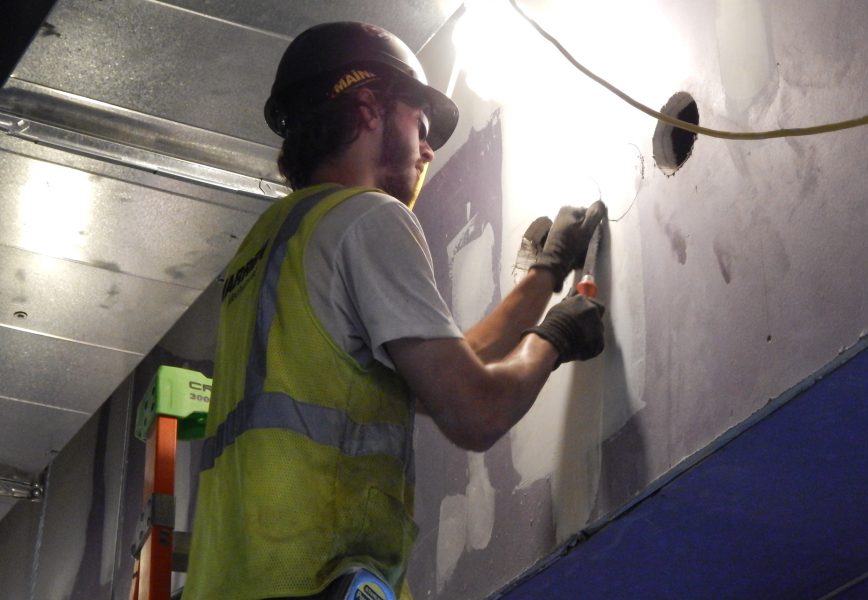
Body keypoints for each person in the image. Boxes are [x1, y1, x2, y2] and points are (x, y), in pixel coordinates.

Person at [182, 21, 605, 600]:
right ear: (366, 109)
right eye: (421, 124)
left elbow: (442, 378)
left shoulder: (269, 249)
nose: (429, 150)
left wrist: (544, 276)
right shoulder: (369, 218)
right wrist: (554, 338)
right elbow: (472, 411)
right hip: (314, 578)